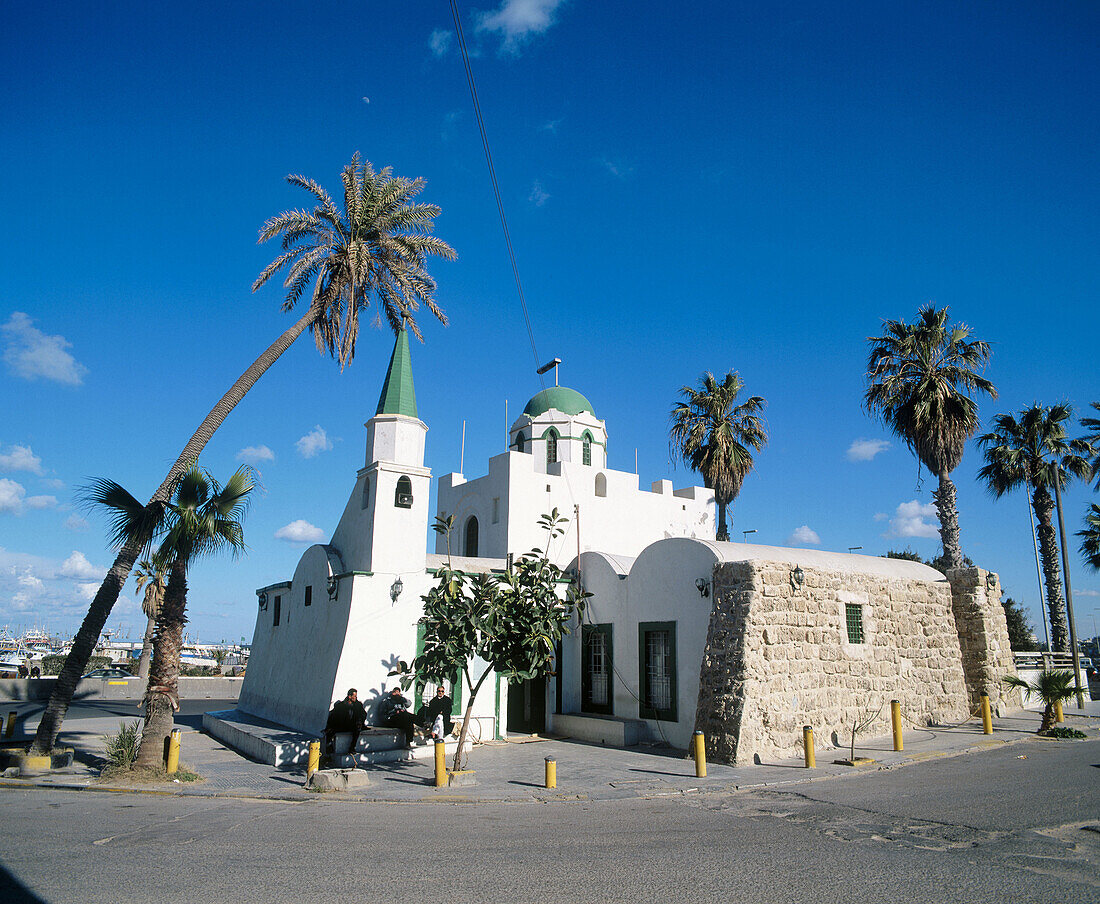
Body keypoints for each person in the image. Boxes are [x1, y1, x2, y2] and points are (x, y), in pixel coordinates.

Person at [324, 688, 367, 755]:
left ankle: (352, 748)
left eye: (356, 696)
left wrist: (360, 721)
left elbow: (363, 714)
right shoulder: (341, 705)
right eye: (354, 696)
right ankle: (329, 748)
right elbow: (334, 716)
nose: (356, 697)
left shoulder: (358, 705)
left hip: (353, 725)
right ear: (349, 696)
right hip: (342, 725)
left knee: (357, 730)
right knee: (330, 731)